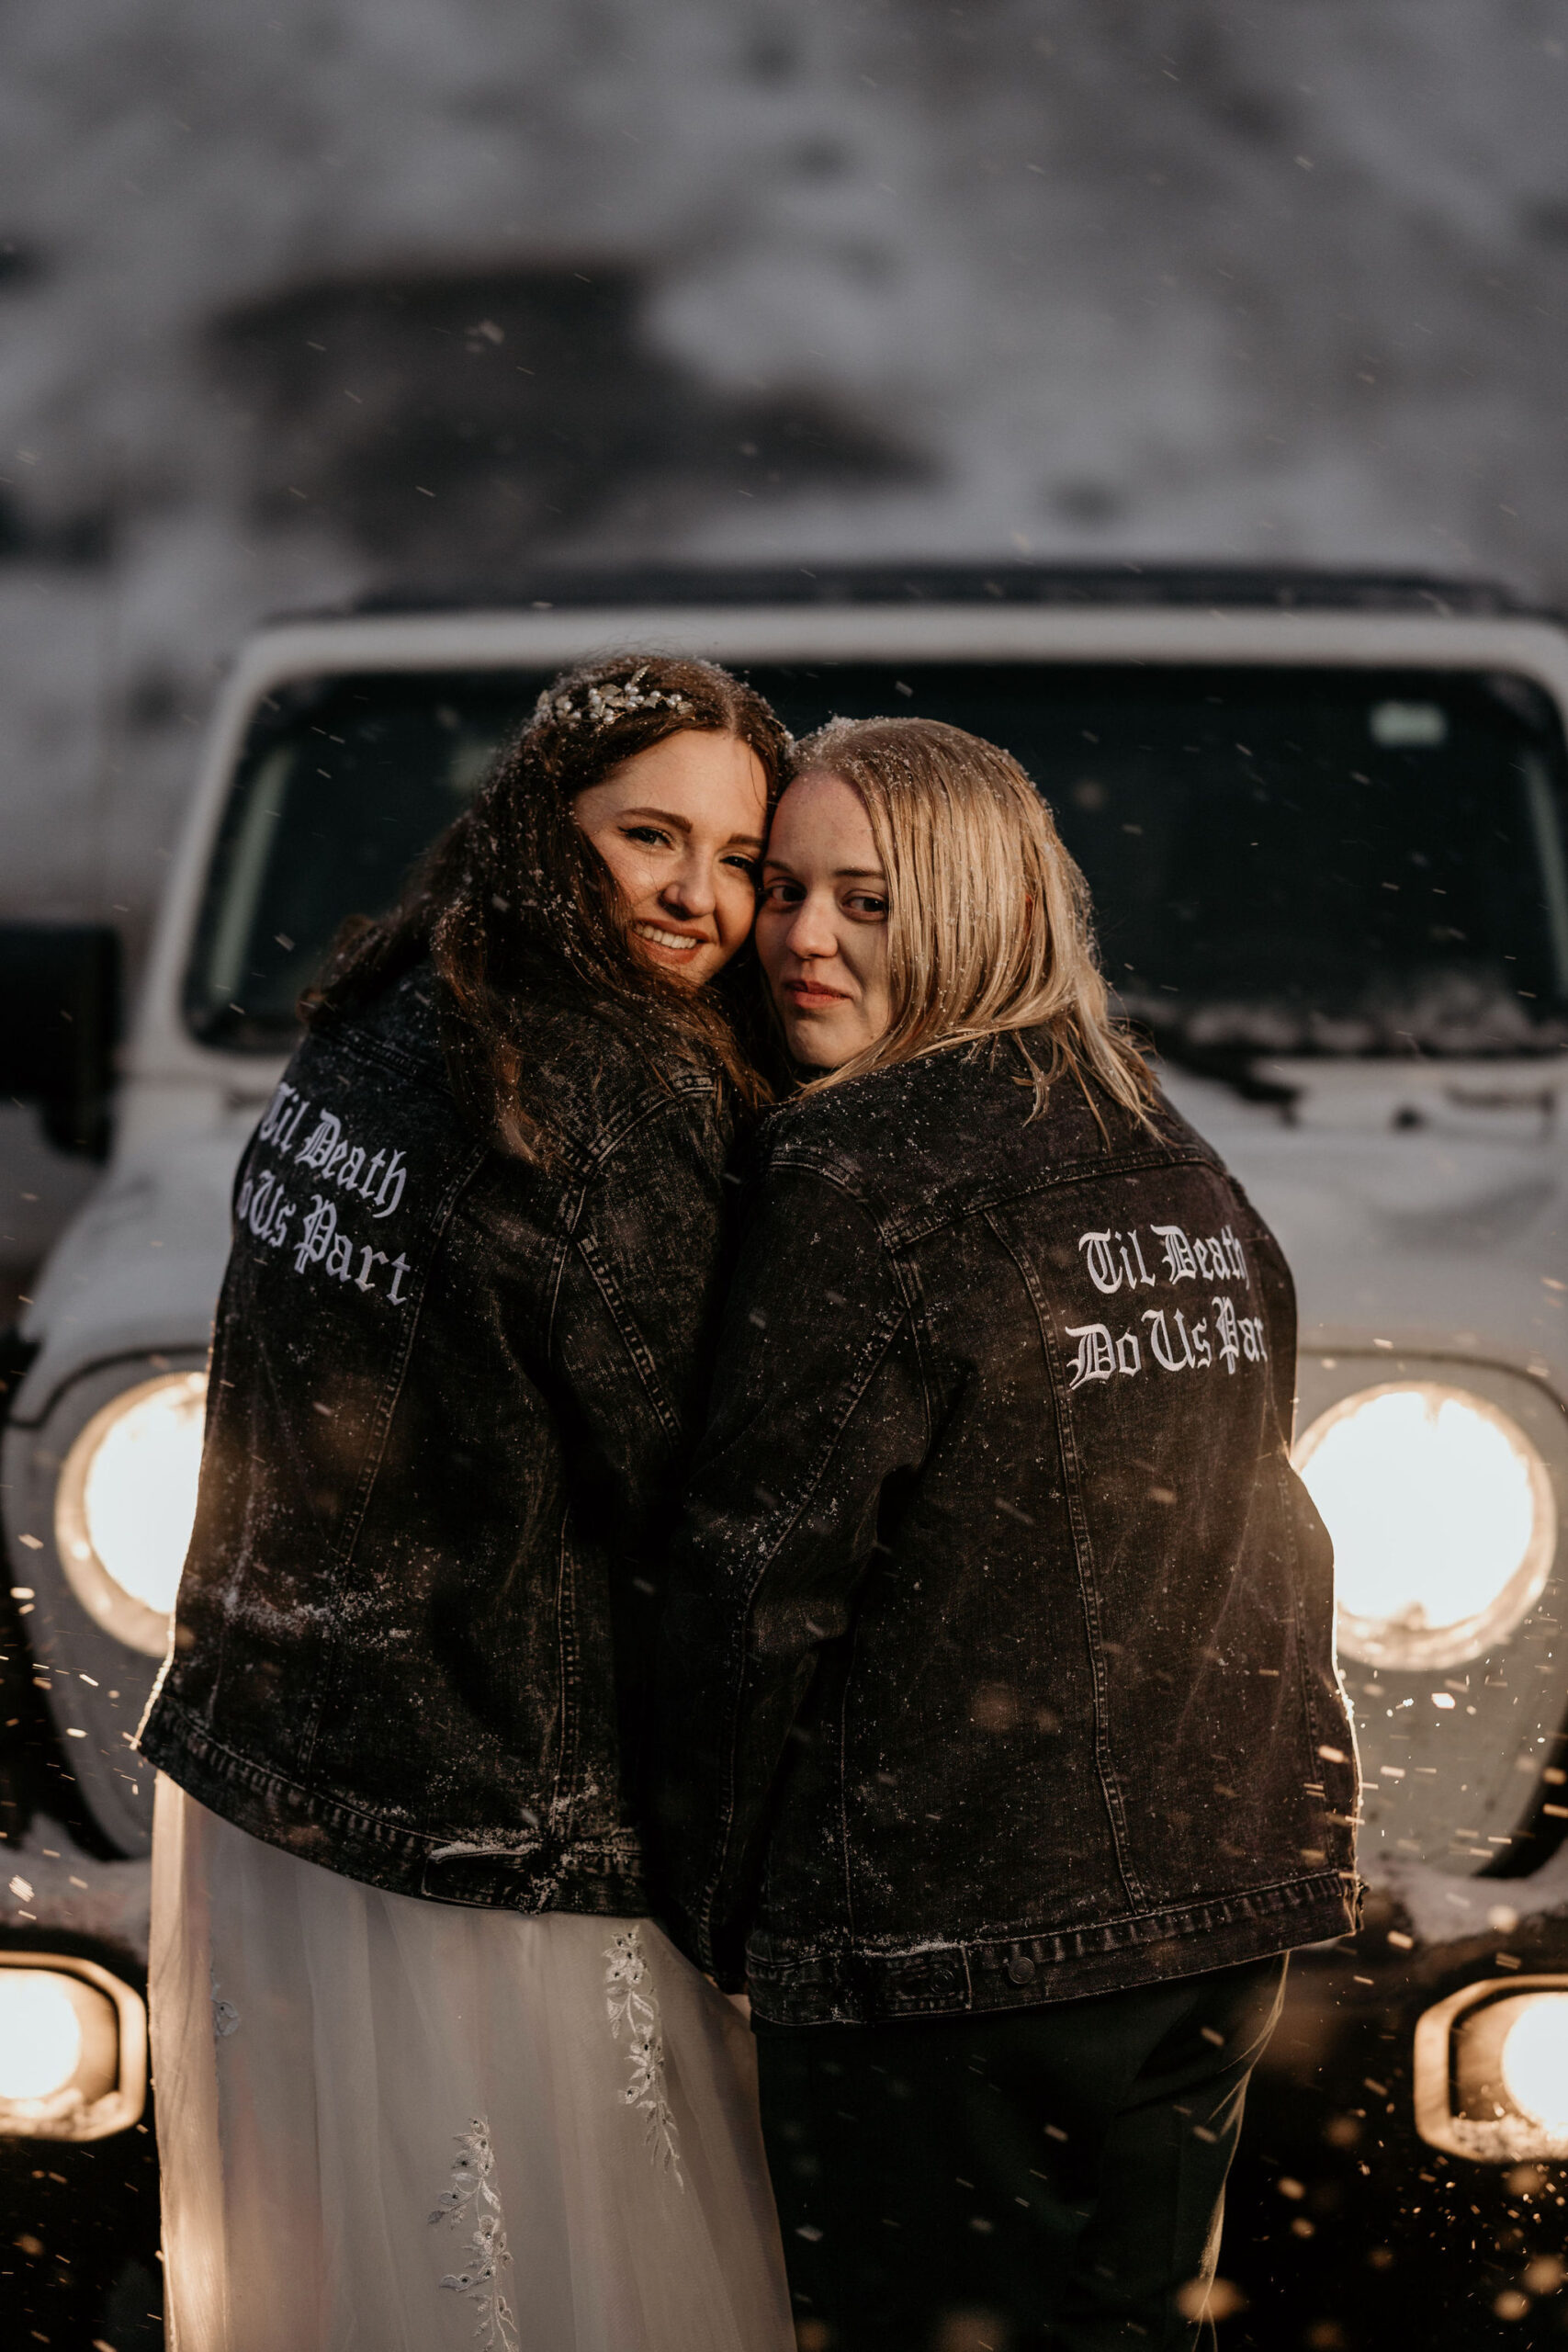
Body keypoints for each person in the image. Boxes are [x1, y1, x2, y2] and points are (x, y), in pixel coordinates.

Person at [654, 717, 1360, 2352]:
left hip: (951, 1937)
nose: (804, 938)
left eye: (871, 901)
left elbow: (758, 1585)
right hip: (1211, 1908)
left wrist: (694, 1904)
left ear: (977, 911)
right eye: (787, 889)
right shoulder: (1164, 1151)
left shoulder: (858, 1175)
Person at [137, 655, 797, 2352]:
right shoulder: (611, 1087)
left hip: (276, 1766)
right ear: (541, 824)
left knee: (368, 2283)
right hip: (491, 1818)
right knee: (572, 2288)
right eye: (648, 836)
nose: (697, 898)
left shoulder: (399, 1002)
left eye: (739, 860)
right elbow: (701, 1503)